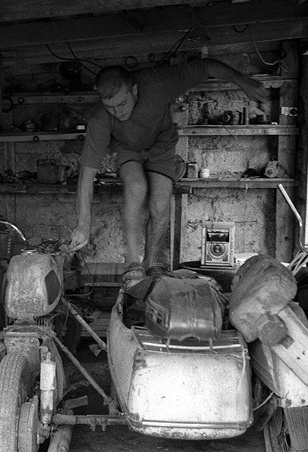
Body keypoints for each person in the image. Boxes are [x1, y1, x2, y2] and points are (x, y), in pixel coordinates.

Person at [68, 58, 269, 283]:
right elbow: (86, 174)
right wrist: (83, 225)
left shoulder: (157, 83)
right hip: (127, 148)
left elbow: (206, 66)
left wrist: (244, 81)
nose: (117, 112)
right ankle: (133, 262)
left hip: (161, 145)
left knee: (160, 202)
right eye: (110, 107)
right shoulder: (100, 118)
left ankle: (151, 263)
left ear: (134, 90)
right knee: (136, 187)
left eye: (122, 104)